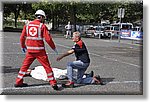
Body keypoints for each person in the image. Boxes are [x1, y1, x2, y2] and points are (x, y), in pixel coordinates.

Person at [14, 10, 59, 90]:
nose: (43, 19)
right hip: (40, 51)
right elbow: (48, 39)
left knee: (24, 67)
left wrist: (23, 46)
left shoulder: (27, 25)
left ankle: (18, 81)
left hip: (30, 50)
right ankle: (53, 83)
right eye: (43, 18)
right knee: (47, 67)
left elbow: (22, 37)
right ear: (41, 17)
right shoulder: (42, 26)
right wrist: (54, 48)